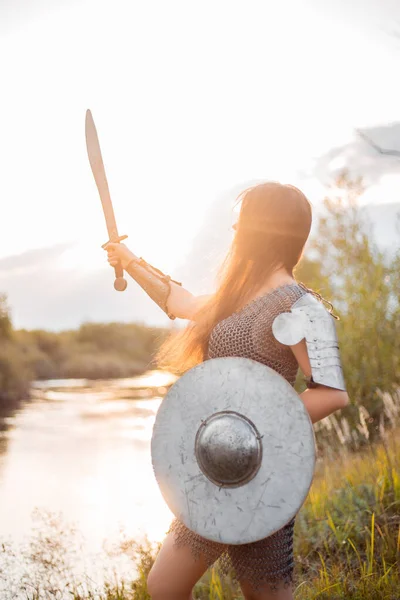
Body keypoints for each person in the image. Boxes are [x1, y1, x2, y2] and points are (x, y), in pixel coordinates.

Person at [105, 181, 349, 600]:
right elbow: (178, 301)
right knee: (165, 585)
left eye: (241, 225)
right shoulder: (237, 297)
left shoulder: (299, 306)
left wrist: (253, 429)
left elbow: (332, 393)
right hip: (215, 467)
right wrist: (129, 260)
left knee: (265, 590)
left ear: (261, 230)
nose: (235, 234)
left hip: (262, 470)